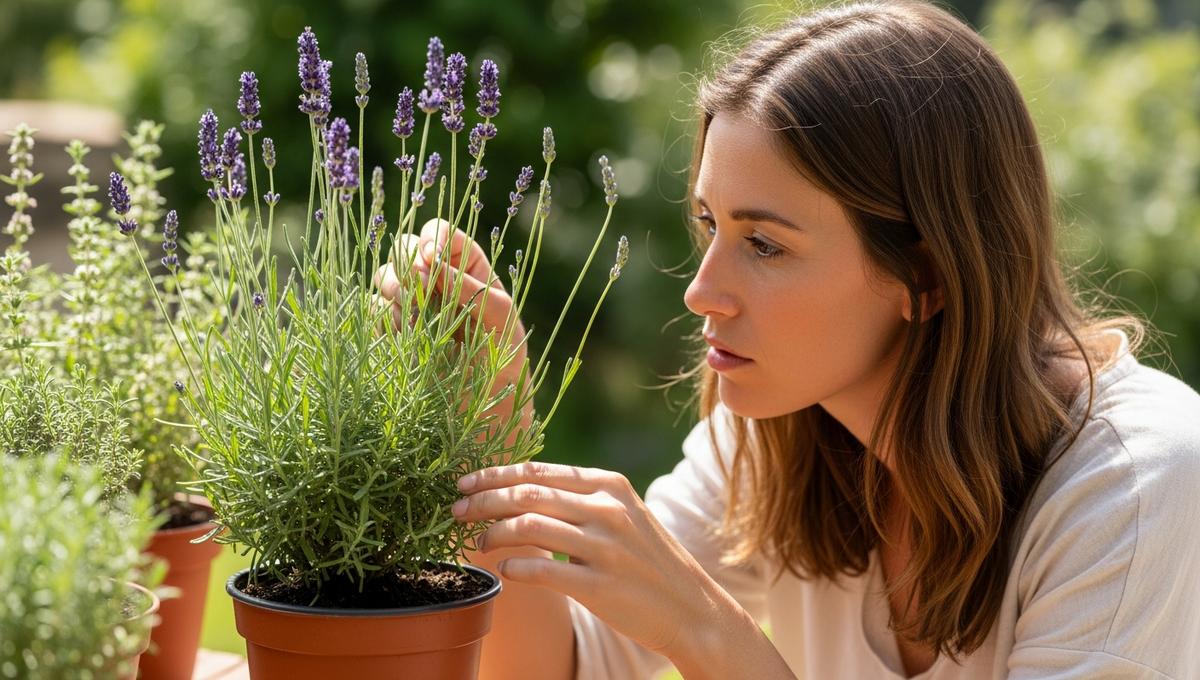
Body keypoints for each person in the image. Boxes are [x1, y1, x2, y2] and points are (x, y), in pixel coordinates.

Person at [374, 1, 1200, 677]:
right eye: (709, 226)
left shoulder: (1137, 488)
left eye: (764, 245)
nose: (702, 292)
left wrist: (708, 634)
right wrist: (491, 427)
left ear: (926, 275)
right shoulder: (768, 435)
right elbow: (552, 673)